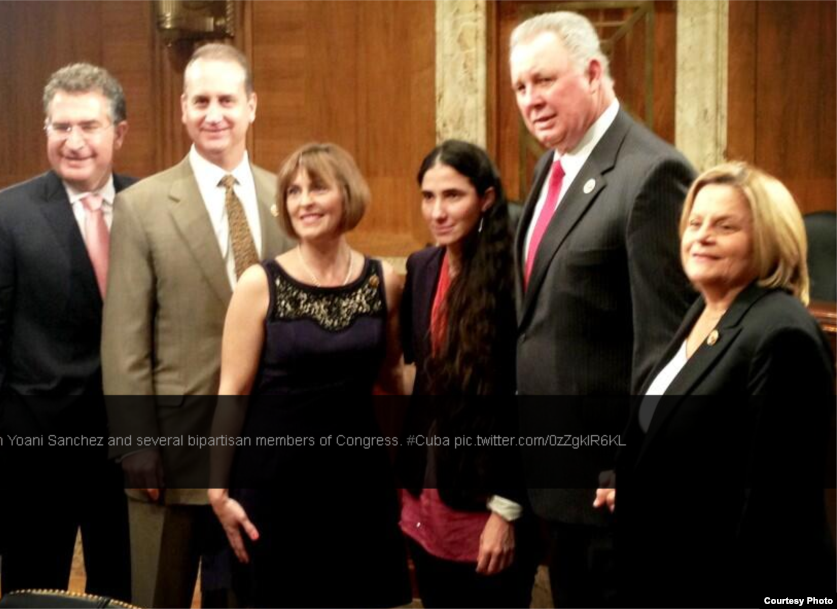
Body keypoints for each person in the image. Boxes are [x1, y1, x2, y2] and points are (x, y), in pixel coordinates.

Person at [508, 11, 697, 607]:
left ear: (593, 73)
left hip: (609, 491)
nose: (531, 100)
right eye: (520, 87)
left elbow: (667, 346)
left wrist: (630, 463)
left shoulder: (652, 174)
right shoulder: (550, 165)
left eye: (544, 80)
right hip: (555, 479)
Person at [101, 43, 291, 609]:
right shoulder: (140, 205)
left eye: (227, 100)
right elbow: (124, 338)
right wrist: (135, 441)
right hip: (170, 453)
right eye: (201, 101)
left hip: (260, 452)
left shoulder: (287, 197)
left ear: (252, 106)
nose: (214, 114)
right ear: (182, 108)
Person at [595, 162, 837, 606]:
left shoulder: (783, 335)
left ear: (769, 239)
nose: (702, 236)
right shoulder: (708, 309)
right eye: (695, 222)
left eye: (725, 226)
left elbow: (776, 515)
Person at [0, 63, 132, 599]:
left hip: (128, 448)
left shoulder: (147, 204)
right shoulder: (4, 213)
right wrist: (4, 428)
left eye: (88, 126)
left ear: (119, 132)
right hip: (33, 454)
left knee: (121, 588)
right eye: (60, 126)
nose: (73, 141)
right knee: (33, 590)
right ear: (45, 131)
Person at [209, 142, 411, 609]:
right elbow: (232, 391)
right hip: (274, 486)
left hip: (358, 484)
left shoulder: (385, 282)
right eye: (293, 191)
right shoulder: (259, 284)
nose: (304, 201)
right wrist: (217, 491)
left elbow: (392, 380)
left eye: (317, 187)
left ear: (348, 194)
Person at [398, 140, 536, 609]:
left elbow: (523, 400)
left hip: (490, 496)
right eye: (428, 196)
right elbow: (421, 381)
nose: (437, 211)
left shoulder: (515, 277)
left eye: (453, 196)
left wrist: (507, 509)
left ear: (487, 199)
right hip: (427, 488)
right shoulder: (421, 267)